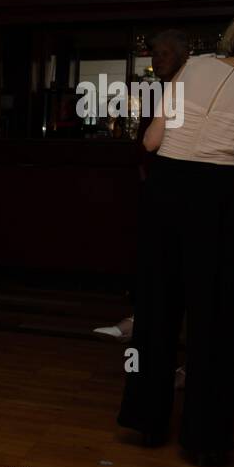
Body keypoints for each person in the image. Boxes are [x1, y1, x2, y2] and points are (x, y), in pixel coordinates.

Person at [118, 2, 234, 466]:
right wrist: (223, 192)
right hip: (220, 195)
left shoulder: (193, 67)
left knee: (155, 308)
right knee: (213, 319)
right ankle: (203, 441)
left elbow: (152, 141)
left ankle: (146, 420)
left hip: (164, 188)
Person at [93, 29, 190, 343]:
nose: (157, 60)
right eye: (154, 54)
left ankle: (156, 327)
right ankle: (144, 321)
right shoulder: (155, 91)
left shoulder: (188, 91)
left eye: (164, 54)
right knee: (153, 256)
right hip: (156, 184)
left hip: (182, 186)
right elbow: (144, 143)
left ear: (183, 56)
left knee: (175, 260)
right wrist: (144, 173)